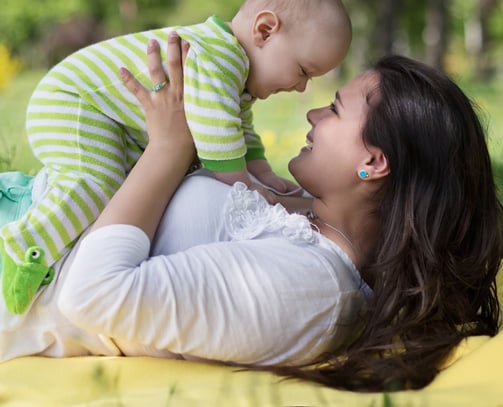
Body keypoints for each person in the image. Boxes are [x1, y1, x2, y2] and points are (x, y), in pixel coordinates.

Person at [1, 34, 500, 393]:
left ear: (373, 162)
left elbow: (91, 295)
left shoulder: (312, 289)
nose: (312, 113)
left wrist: (168, 148)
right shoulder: (308, 220)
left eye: (335, 109)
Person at [0, 0, 352, 315]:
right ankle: (28, 244)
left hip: (99, 111)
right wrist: (246, 188)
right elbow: (219, 139)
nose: (302, 87)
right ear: (264, 30)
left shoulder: (233, 70)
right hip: (73, 102)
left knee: (116, 187)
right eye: (303, 70)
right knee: (98, 180)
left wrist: (261, 171)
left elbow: (238, 129)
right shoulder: (218, 59)